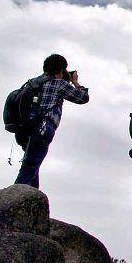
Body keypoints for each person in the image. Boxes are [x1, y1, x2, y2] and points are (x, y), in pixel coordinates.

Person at [14, 54, 89, 188]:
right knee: (29, 167)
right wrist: (75, 82)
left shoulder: (33, 82)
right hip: (43, 128)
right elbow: (83, 98)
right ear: (61, 70)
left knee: (31, 165)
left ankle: (32, 199)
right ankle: (14, 200)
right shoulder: (58, 84)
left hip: (24, 129)